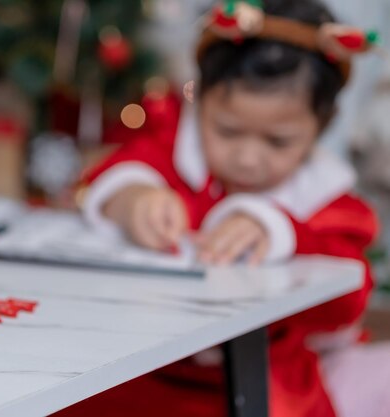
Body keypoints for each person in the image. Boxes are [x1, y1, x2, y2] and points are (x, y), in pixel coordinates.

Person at [65, 0, 379, 416]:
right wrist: (131, 199)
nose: (248, 158)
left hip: (258, 376)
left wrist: (279, 231)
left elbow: (349, 297)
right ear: (201, 103)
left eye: (278, 141)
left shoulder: (325, 199)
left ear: (321, 126)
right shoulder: (175, 153)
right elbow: (114, 171)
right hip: (146, 363)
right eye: (227, 131)